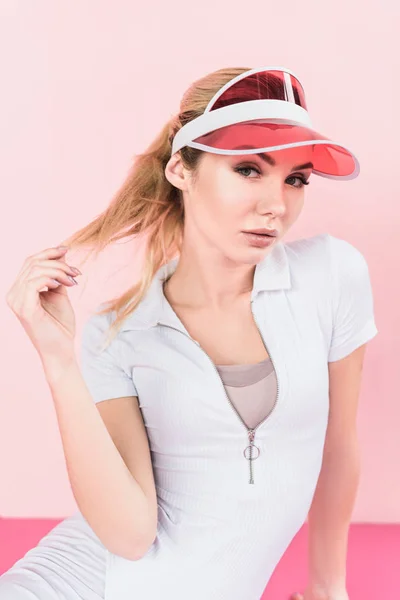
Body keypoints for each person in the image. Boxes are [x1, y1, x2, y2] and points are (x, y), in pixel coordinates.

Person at [2, 66, 378, 600]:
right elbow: (130, 535)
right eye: (249, 169)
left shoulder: (331, 276)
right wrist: (59, 362)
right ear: (181, 169)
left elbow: (339, 444)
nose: (276, 205)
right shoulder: (120, 335)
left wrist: (327, 587)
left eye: (295, 179)